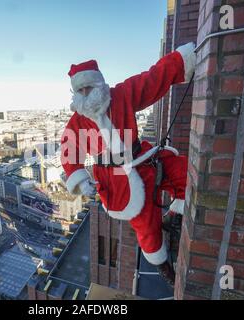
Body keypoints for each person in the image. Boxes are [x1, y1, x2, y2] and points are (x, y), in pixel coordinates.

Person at [60, 42, 196, 286]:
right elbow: (69, 150)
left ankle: (173, 214)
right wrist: (80, 180)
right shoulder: (77, 122)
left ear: (99, 84)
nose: (85, 94)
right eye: (79, 91)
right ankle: (161, 263)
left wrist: (181, 60)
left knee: (184, 173)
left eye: (88, 87)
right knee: (146, 224)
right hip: (116, 180)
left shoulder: (122, 95)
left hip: (144, 159)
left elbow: (152, 79)